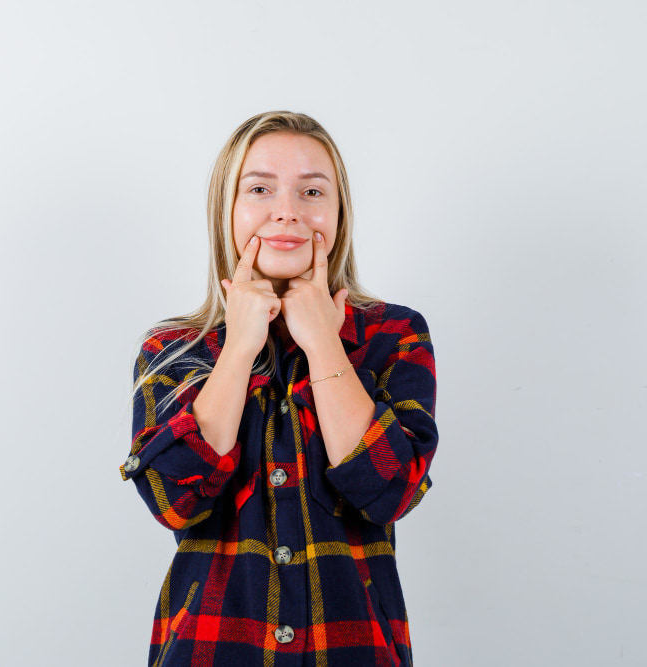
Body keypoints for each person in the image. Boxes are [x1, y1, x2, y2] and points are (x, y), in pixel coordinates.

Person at [120, 111, 438, 666]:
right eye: (260, 188)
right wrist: (240, 347)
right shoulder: (173, 348)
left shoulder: (395, 334)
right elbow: (175, 499)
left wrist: (323, 345)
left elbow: (390, 493)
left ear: (338, 213)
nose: (287, 210)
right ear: (229, 209)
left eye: (312, 190)